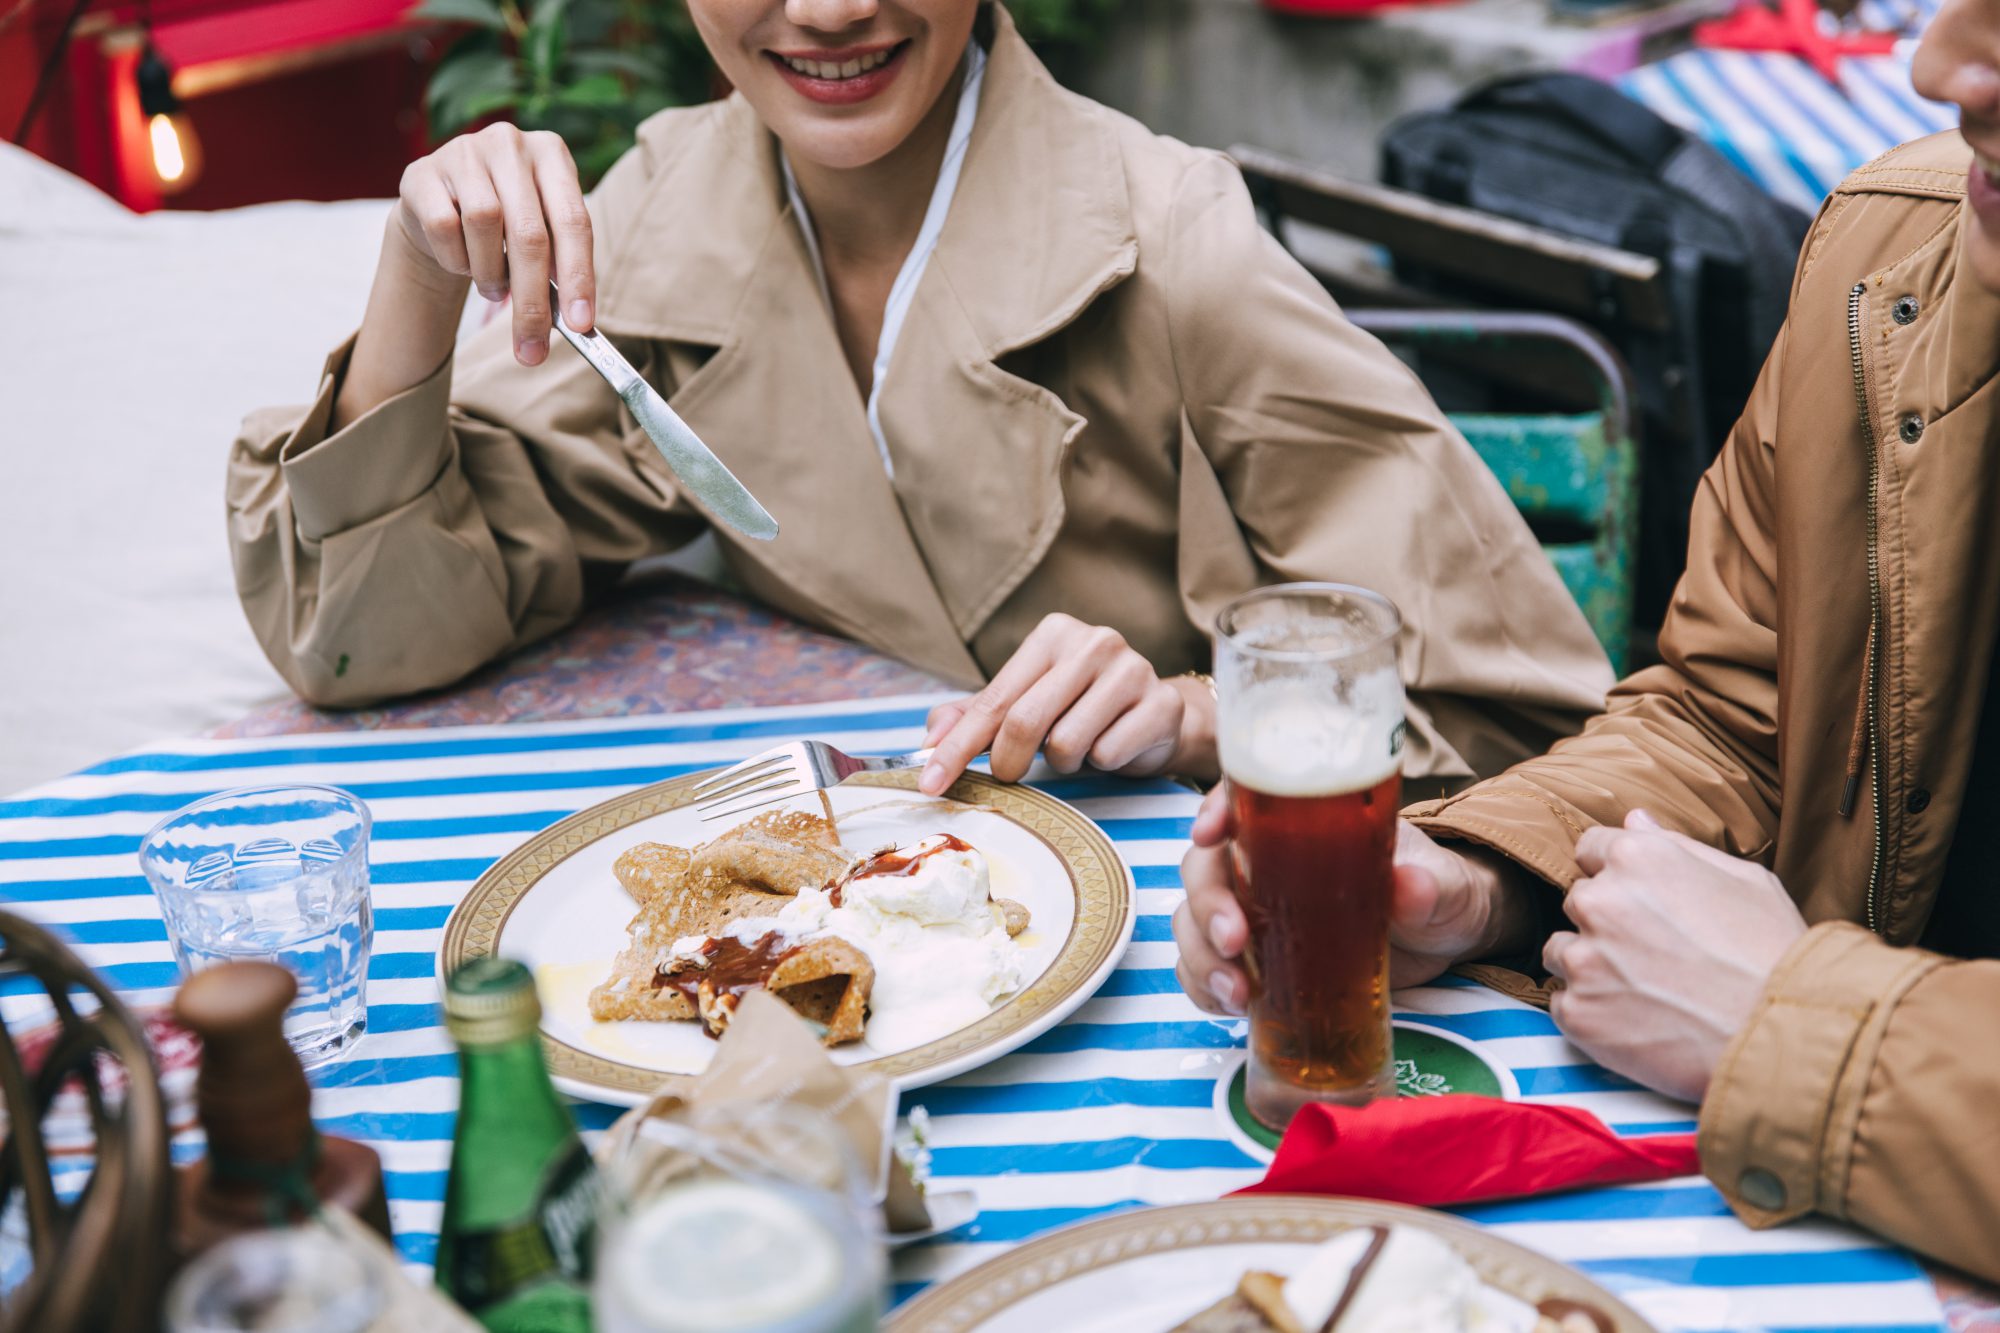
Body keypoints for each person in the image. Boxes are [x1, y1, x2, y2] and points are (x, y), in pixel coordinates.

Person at [225, 0, 1611, 796]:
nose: (828, 9)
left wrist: (1199, 714)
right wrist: (414, 275)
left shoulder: (1172, 241)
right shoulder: (660, 218)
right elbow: (357, 644)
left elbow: (1525, 728)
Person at [1176, 0, 2000, 1283]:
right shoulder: (1891, 260)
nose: (1935, 66)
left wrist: (1797, 1031)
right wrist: (1478, 875)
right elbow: (1731, 713)